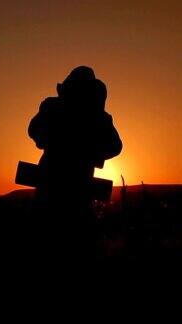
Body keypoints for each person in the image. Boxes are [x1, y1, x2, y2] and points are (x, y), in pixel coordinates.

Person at [26, 66, 122, 268]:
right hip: (74, 188)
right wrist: (92, 152)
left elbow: (34, 131)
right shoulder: (97, 117)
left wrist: (51, 141)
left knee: (49, 242)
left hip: (58, 186)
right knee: (73, 245)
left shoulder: (54, 107)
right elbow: (114, 146)